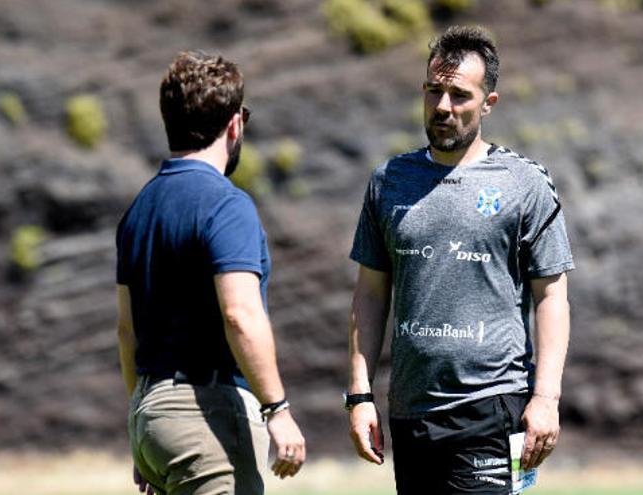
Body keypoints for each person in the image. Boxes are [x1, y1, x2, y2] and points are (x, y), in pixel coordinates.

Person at [346, 26, 574, 494]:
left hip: (491, 410)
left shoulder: (524, 183)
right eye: (434, 92)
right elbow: (370, 292)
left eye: (458, 95)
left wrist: (546, 397)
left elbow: (551, 296)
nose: (443, 107)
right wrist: (359, 394)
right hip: (410, 413)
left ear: (488, 102)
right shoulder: (389, 181)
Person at [116, 50, 305, 495]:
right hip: (207, 415)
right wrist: (277, 409)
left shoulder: (139, 209)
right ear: (235, 125)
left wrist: (144, 426)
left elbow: (128, 332)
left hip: (152, 412)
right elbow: (241, 314)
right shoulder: (226, 204)